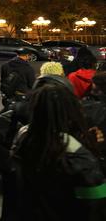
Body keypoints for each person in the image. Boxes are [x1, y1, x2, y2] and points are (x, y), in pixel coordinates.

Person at [11, 83, 106, 220]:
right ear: (71, 111)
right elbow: (97, 203)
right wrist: (92, 150)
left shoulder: (23, 138)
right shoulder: (77, 157)